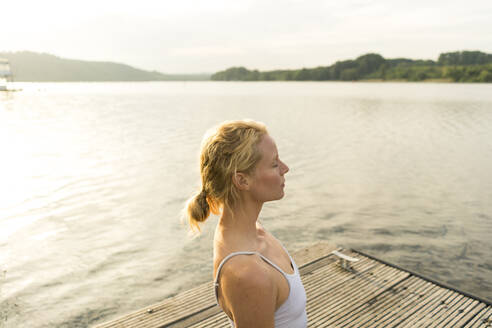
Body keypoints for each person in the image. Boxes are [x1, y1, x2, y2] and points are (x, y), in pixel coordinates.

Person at [184, 120, 308, 328]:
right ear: (242, 181)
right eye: (275, 164)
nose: (285, 169)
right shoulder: (248, 274)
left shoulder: (250, 230)